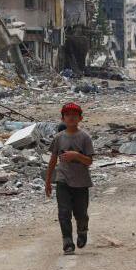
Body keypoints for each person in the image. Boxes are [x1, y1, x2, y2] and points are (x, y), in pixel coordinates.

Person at [44, 102, 94, 255]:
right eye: (67, 115)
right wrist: (48, 181)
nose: (71, 117)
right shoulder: (58, 138)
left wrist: (76, 155)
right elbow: (53, 160)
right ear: (63, 118)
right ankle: (67, 241)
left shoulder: (85, 138)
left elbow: (89, 161)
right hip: (63, 180)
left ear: (80, 118)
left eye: (74, 115)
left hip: (81, 182)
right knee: (64, 212)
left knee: (81, 213)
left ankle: (82, 230)